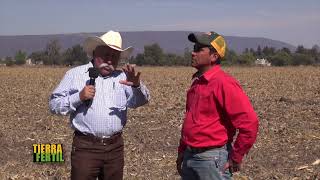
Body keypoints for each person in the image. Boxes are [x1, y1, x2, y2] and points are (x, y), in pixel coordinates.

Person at [49, 30, 150, 180]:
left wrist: (136, 86)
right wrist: (79, 97)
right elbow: (54, 104)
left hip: (115, 147)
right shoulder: (75, 75)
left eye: (114, 57)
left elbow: (141, 101)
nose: (109, 61)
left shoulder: (123, 77)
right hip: (85, 147)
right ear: (95, 53)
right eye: (106, 55)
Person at [176, 31, 259, 180]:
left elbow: (250, 123)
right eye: (194, 48)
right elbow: (190, 121)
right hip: (190, 155)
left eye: (199, 49)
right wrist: (182, 150)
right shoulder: (198, 82)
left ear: (214, 56)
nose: (193, 53)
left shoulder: (224, 83)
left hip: (211, 159)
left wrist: (236, 156)